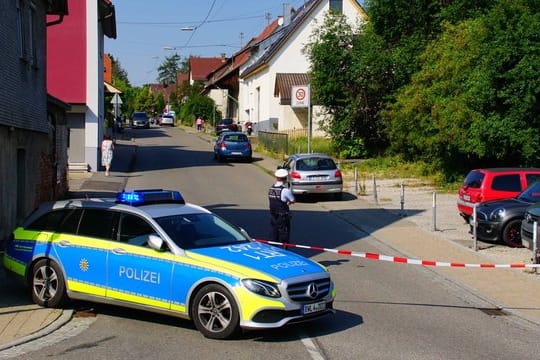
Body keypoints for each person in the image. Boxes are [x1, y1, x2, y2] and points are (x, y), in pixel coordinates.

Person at [268, 168, 296, 246]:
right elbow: (292, 200)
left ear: (276, 178)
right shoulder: (285, 190)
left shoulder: (271, 188)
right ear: (285, 178)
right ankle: (284, 251)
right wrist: (288, 203)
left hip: (273, 216)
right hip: (283, 217)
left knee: (274, 236)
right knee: (284, 237)